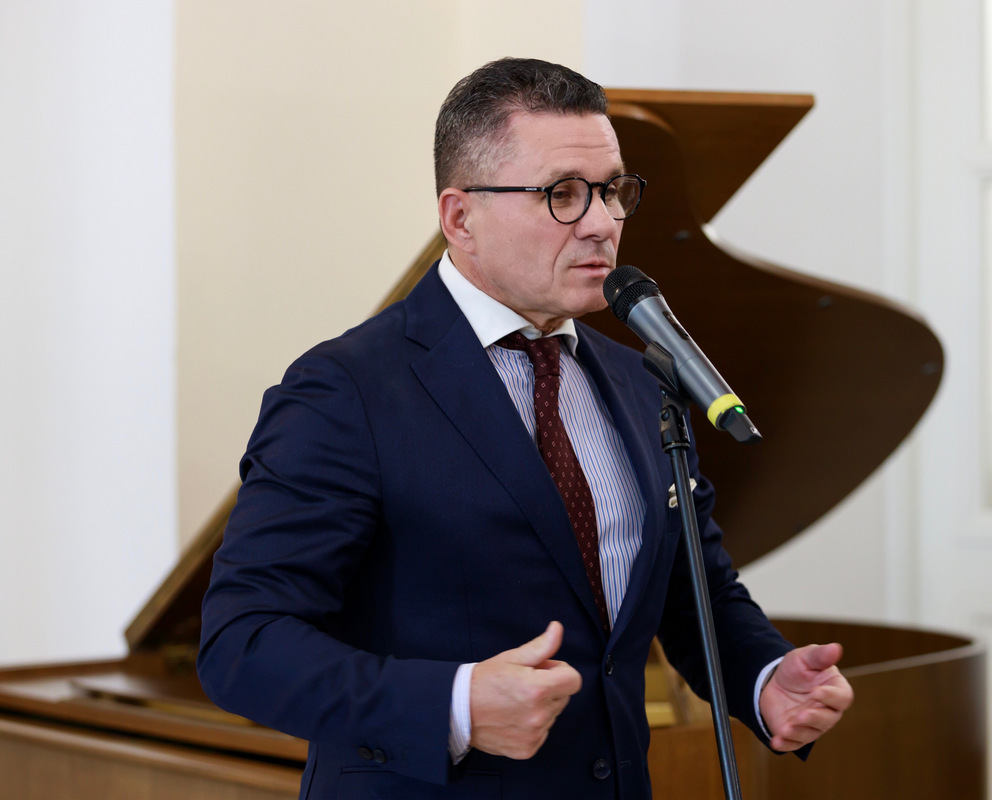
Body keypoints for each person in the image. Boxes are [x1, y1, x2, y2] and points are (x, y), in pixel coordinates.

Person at [198, 57, 852, 800]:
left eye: (613, 190)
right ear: (460, 218)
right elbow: (241, 643)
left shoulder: (642, 381)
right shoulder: (346, 391)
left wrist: (764, 678)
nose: (602, 223)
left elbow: (691, 593)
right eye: (561, 195)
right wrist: (456, 705)